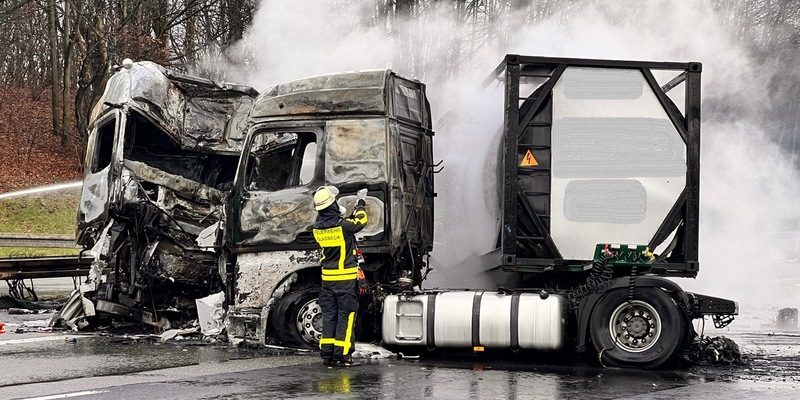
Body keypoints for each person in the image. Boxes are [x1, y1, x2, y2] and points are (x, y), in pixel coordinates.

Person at [312, 185, 369, 367]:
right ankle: (342, 355)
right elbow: (361, 221)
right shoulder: (343, 226)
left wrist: (342, 214)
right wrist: (360, 203)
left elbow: (340, 225)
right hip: (345, 279)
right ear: (332, 206)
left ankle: (327, 354)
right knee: (346, 316)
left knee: (329, 316)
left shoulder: (317, 229)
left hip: (327, 280)